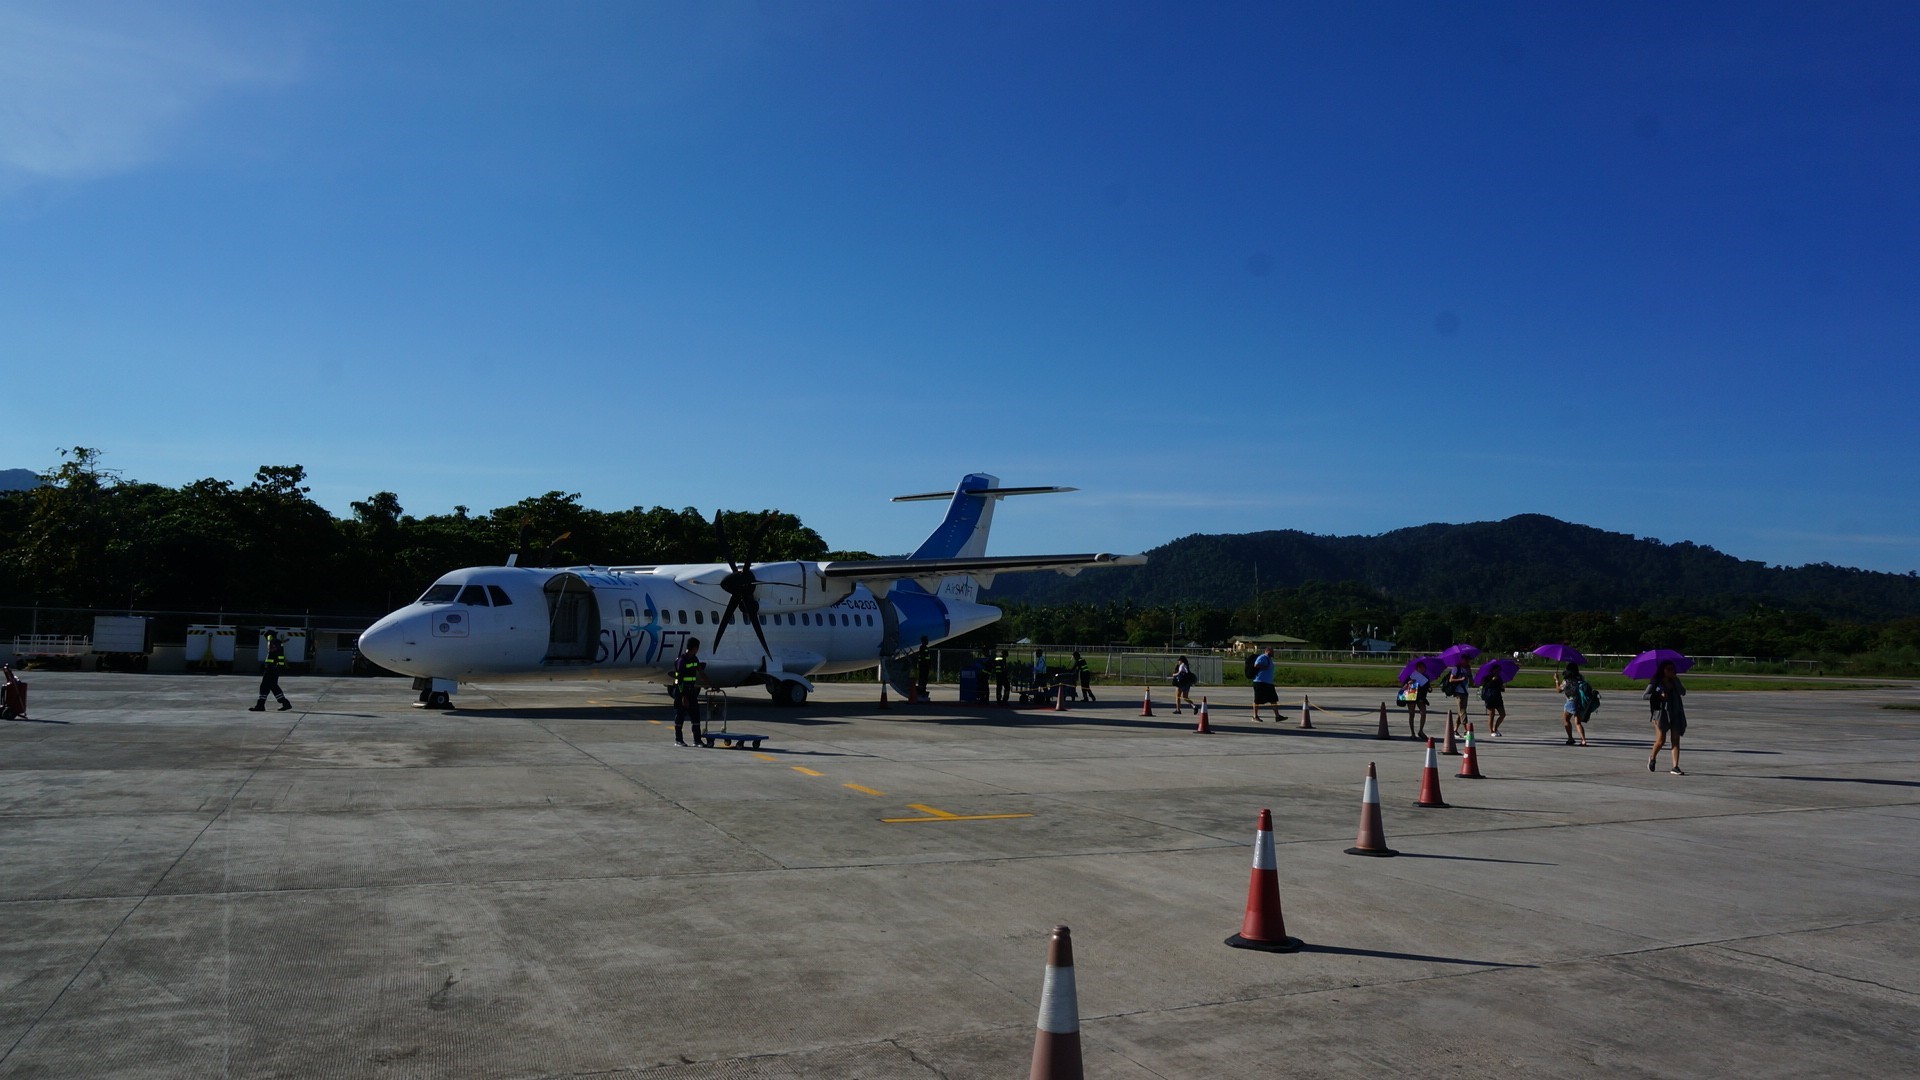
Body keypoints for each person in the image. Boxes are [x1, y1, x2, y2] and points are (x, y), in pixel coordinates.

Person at [1645, 660, 1687, 774]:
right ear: (1663, 670)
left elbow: (1683, 692)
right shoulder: (1656, 681)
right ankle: (1652, 758)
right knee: (1661, 740)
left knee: (1675, 739)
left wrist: (1675, 680)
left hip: (1675, 711)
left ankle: (1675, 766)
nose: (1671, 671)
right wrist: (1659, 695)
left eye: (1673, 669)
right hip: (1661, 713)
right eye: (1668, 669)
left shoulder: (1675, 680)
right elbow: (1645, 695)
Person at [672, 637, 709, 746]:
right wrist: (684, 697)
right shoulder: (681, 660)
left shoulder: (694, 659)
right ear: (695, 648)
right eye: (697, 648)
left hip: (691, 691)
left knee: (695, 716)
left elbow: (701, 672)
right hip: (681, 691)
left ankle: (697, 740)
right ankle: (678, 740)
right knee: (680, 716)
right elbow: (679, 680)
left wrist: (710, 684)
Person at [249, 630, 293, 712]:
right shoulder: (277, 642)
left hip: (272, 668)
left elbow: (271, 650)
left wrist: (270, 640)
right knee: (272, 686)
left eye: (267, 637)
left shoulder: (274, 642)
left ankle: (261, 705)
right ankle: (285, 703)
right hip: (273, 668)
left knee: (265, 686)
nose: (266, 639)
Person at [1554, 663, 1592, 746]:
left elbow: (1559, 690)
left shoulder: (1567, 680)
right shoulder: (1581, 678)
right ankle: (1583, 740)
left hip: (1571, 702)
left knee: (1566, 719)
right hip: (1580, 702)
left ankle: (1570, 738)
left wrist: (1556, 680)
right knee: (1578, 722)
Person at [1250, 647, 1281, 722]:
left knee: (1273, 699)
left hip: (1268, 683)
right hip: (1260, 682)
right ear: (1267, 651)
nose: (1273, 653)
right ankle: (1255, 716)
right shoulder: (1262, 657)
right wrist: (1264, 667)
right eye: (1271, 651)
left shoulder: (1269, 659)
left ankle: (1277, 716)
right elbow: (1256, 665)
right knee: (1257, 700)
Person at [1442, 662, 1471, 736]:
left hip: (1465, 692)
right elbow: (1451, 679)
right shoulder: (1456, 668)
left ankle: (1455, 730)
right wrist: (1460, 679)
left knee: (1460, 712)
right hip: (1458, 692)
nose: (1467, 661)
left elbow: (1471, 680)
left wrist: (1469, 673)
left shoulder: (1467, 669)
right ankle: (1466, 730)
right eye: (1465, 659)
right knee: (1462, 710)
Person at [1399, 674, 1430, 738]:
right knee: (1411, 714)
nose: (1422, 669)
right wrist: (1408, 683)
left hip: (1421, 697)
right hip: (1411, 695)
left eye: (1423, 668)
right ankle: (1412, 733)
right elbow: (1403, 688)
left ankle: (1421, 731)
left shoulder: (1425, 676)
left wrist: (1429, 688)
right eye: (1420, 668)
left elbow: (1427, 687)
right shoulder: (1409, 676)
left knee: (1423, 713)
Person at [1480, 670, 1507, 736]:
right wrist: (1492, 680)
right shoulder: (1487, 677)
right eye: (1496, 670)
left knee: (1503, 714)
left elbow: (1501, 689)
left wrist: (1502, 686)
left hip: (1497, 697)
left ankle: (1495, 728)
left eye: (1498, 670)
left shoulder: (1499, 678)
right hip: (1489, 697)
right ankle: (1491, 731)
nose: (1497, 672)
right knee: (1492, 714)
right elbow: (1486, 686)